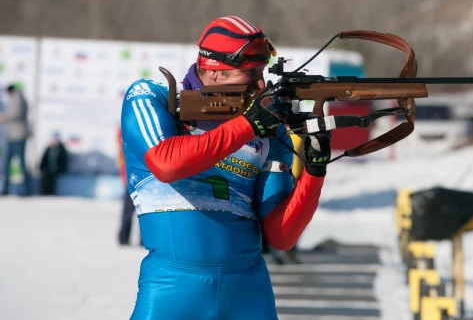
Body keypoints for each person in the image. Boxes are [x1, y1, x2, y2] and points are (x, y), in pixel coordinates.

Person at [121, 16, 331, 319]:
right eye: (250, 72)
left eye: (263, 71)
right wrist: (247, 125)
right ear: (215, 72)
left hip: (249, 292)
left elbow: (280, 236)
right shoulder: (152, 96)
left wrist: (314, 172)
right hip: (171, 289)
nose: (261, 83)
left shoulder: (270, 128)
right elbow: (166, 164)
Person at [0, 84, 31, 196]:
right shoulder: (15, 99)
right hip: (11, 136)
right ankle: (6, 189)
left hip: (18, 136)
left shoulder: (18, 99)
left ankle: (25, 190)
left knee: (21, 164)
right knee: (7, 164)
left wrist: (4, 117)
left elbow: (17, 114)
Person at [116, 127, 140, 246]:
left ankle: (127, 238)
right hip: (133, 178)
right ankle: (124, 238)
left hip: (137, 177)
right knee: (130, 211)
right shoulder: (125, 137)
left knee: (141, 211)